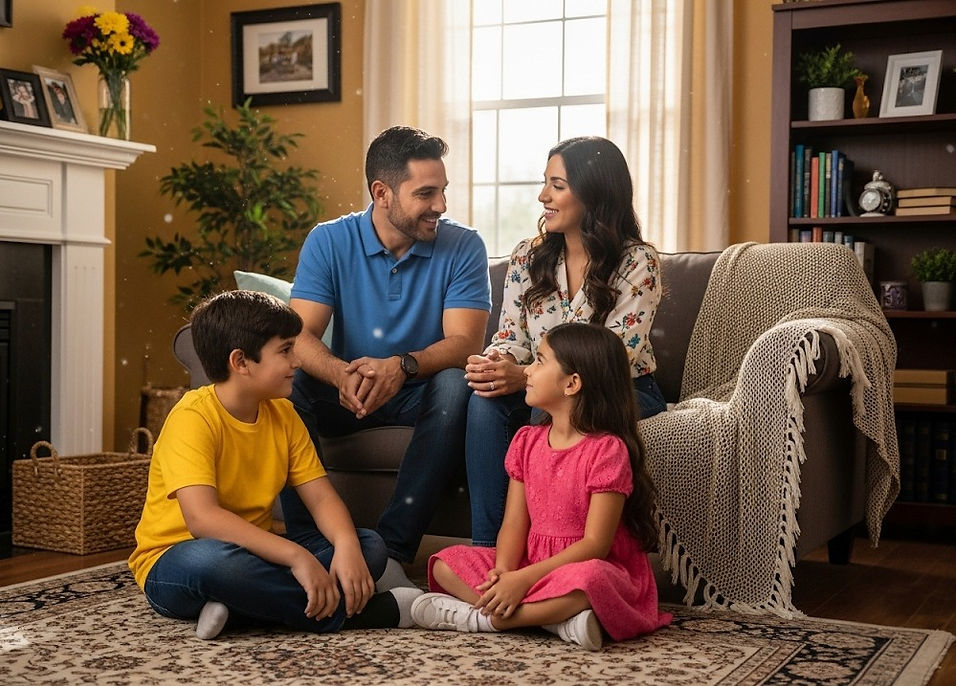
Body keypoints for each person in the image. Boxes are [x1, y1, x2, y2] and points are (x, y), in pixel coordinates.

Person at [128, 290, 423, 640]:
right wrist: (297, 558)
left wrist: (344, 544)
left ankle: (241, 609)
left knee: (368, 546)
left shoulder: (284, 414)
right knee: (213, 562)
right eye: (284, 351)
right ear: (241, 362)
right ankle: (373, 612)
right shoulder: (192, 418)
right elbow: (202, 519)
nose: (296, 362)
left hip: (254, 555)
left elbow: (323, 499)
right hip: (176, 562)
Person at [282, 125, 491, 591]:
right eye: (426, 193)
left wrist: (401, 366)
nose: (440, 205)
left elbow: (465, 344)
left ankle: (393, 552)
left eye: (443, 191)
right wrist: (340, 373)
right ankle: (310, 544)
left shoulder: (463, 246)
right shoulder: (328, 241)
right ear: (382, 193)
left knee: (459, 382)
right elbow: (298, 335)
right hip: (348, 389)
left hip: (419, 391)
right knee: (285, 381)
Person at [412, 322, 673, 650]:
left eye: (538, 361)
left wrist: (523, 580)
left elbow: (595, 545)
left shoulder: (607, 451)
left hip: (582, 566)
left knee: (591, 581)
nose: (528, 371)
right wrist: (506, 574)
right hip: (530, 563)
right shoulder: (526, 441)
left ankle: (488, 619)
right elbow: (514, 523)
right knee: (445, 562)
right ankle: (556, 621)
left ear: (572, 383)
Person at [463, 136, 666, 547]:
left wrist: (522, 377)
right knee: (482, 401)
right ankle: (489, 552)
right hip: (538, 383)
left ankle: (551, 555)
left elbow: (609, 362)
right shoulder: (527, 257)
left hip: (621, 392)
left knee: (555, 414)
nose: (543, 196)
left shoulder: (637, 263)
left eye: (557, 186)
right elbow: (511, 335)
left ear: (594, 193)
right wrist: (496, 365)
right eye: (545, 183)